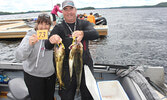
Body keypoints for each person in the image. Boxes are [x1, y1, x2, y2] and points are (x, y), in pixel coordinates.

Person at [45, 0, 99, 100]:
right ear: (62, 12)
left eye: (71, 9)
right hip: (66, 68)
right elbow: (47, 45)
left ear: (76, 10)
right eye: (66, 10)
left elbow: (95, 34)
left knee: (88, 95)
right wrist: (51, 40)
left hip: (85, 66)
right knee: (66, 96)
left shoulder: (84, 23)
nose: (69, 12)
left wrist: (83, 34)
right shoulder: (59, 27)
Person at [15, 13, 56, 100]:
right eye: (41, 23)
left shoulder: (52, 37)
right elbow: (18, 56)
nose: (44, 27)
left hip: (50, 76)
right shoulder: (29, 36)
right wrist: (30, 44)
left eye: (47, 24)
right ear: (37, 24)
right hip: (33, 76)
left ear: (50, 25)